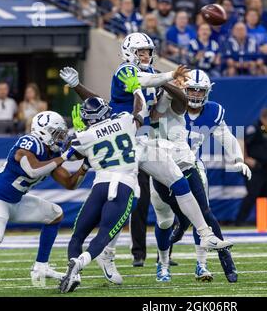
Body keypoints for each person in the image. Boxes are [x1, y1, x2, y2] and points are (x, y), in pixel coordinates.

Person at [59, 32, 233, 275]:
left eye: (148, 51)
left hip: (146, 140)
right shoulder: (125, 71)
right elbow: (141, 84)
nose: (146, 55)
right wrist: (169, 75)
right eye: (141, 51)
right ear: (129, 52)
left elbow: (175, 103)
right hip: (125, 143)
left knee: (179, 181)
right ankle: (107, 255)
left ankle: (205, 235)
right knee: (124, 202)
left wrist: (168, 83)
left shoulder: (153, 75)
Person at [0, 111, 89, 285]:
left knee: (55, 214)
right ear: (43, 131)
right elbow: (33, 169)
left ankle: (41, 266)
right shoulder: (30, 142)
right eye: (57, 133)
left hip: (16, 201)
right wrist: (64, 157)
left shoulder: (51, 154)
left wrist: (85, 166)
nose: (60, 138)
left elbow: (70, 184)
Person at [168, 69, 251, 282]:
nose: (195, 95)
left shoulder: (213, 112)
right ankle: (164, 260)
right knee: (164, 217)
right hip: (164, 163)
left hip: (192, 164)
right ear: (182, 90)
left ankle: (202, 265)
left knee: (204, 213)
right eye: (191, 90)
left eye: (199, 91)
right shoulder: (171, 105)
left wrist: (238, 159)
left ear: (208, 92)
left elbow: (227, 137)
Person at [59, 97, 140, 293]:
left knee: (77, 235)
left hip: (101, 184)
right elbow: (139, 113)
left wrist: (79, 132)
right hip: (124, 183)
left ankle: (73, 272)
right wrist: (138, 89)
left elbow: (68, 154)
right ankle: (78, 265)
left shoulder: (84, 136)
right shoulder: (124, 119)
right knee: (104, 235)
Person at [235, 108, 267, 226]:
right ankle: (240, 221)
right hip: (255, 169)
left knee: (265, 195)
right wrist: (245, 159)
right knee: (252, 194)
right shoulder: (254, 128)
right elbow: (241, 141)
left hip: (265, 169)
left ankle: (266, 223)